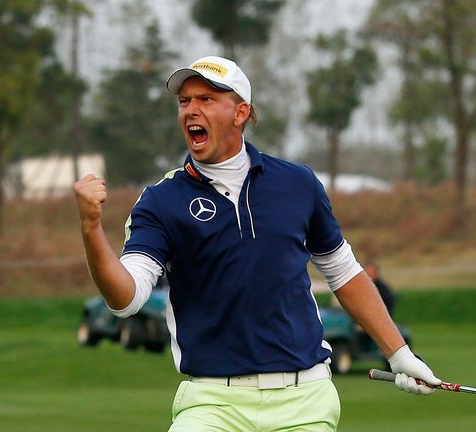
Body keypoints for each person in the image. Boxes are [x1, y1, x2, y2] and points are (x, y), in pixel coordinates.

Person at [73, 55, 440, 432]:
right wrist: (91, 228)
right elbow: (126, 299)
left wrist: (399, 354)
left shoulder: (297, 183)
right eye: (185, 102)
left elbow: (344, 273)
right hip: (213, 402)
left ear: (240, 112)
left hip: (305, 400)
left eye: (206, 99)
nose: (190, 111)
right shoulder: (161, 201)